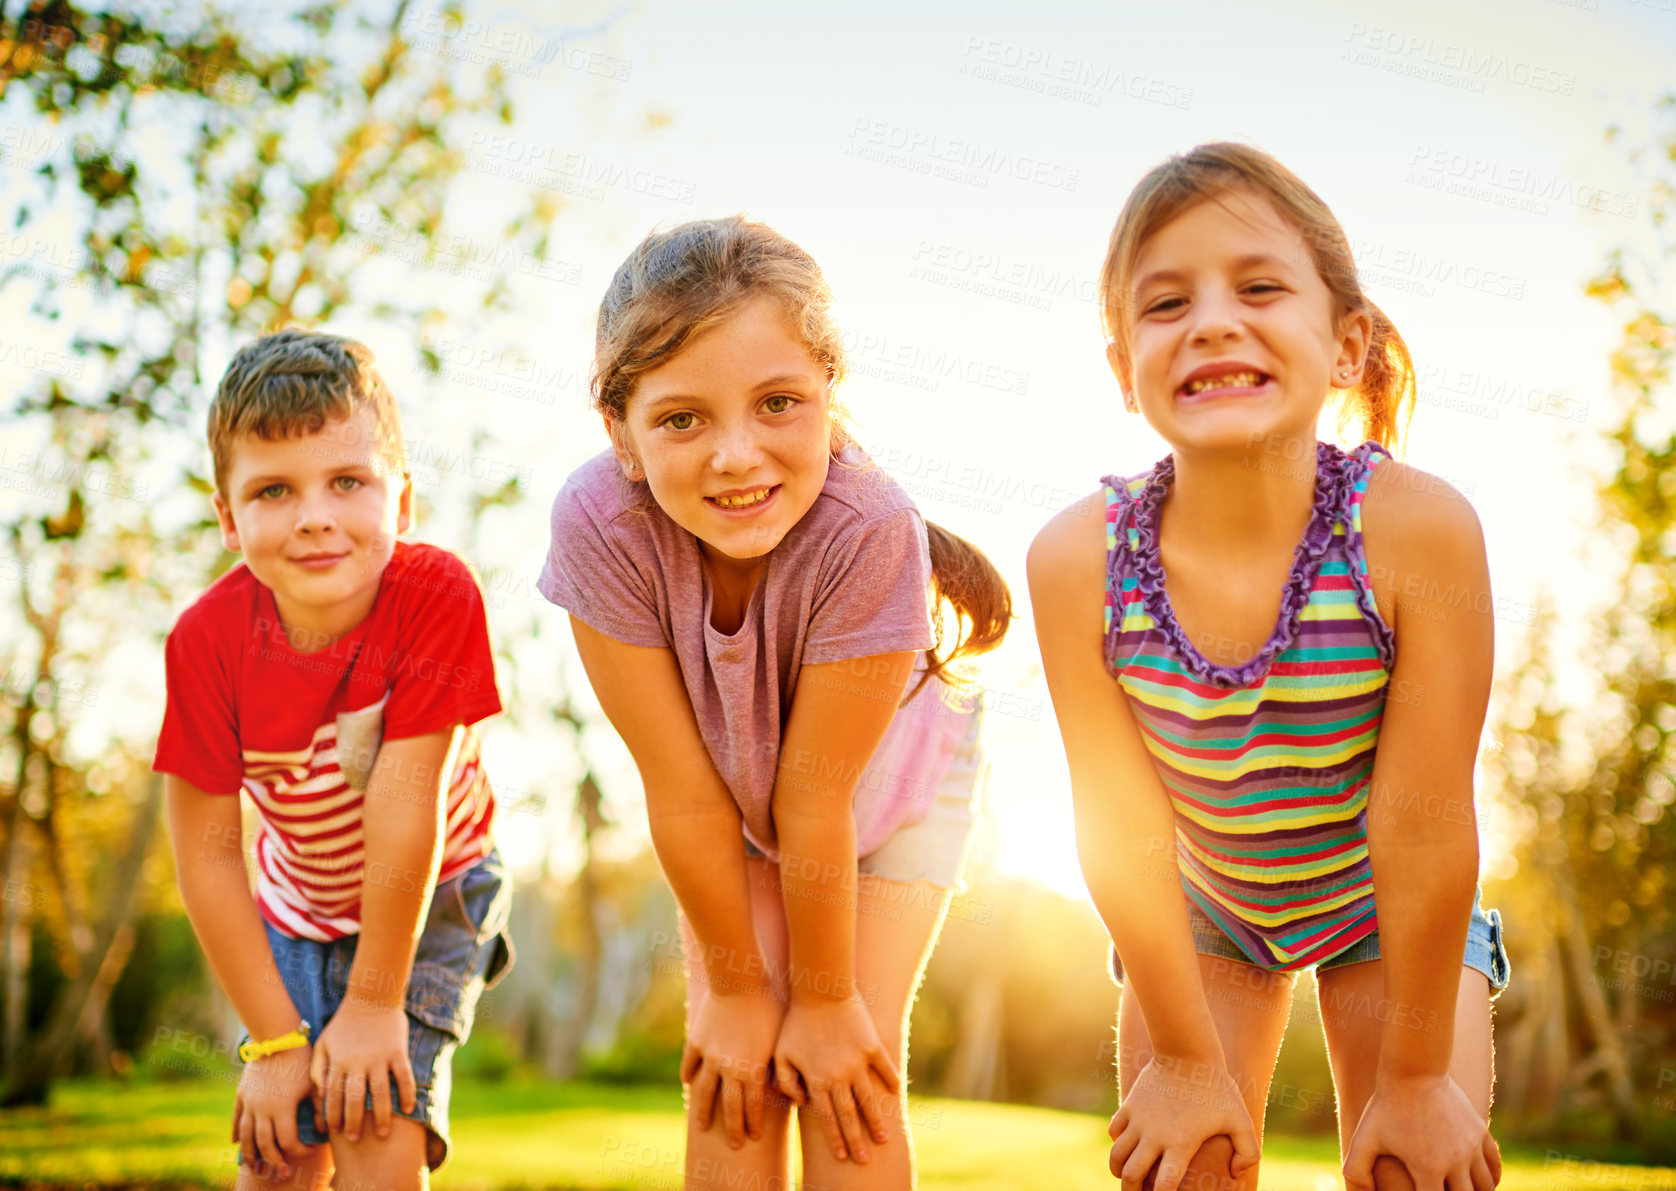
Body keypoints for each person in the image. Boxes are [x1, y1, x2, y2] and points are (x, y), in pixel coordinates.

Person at [1028, 143, 1510, 1191]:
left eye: (1256, 287)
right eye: (1164, 305)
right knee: (1188, 1160)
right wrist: (1187, 1062)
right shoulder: (1075, 562)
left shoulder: (1415, 533)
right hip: (1204, 906)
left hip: (1386, 903)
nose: (1209, 321)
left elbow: (1422, 824)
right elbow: (1117, 827)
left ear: (1345, 345)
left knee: (1408, 1167)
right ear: (1122, 369)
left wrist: (1418, 1075)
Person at [539, 215, 1010, 1190]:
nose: (736, 456)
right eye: (681, 419)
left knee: (848, 1065)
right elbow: (679, 792)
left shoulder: (870, 527)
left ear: (831, 398)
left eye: (777, 404)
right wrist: (737, 990)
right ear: (618, 434)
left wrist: (826, 1002)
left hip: (890, 796)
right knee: (735, 1070)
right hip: (727, 794)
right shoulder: (597, 523)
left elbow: (817, 799)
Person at [154, 330, 513, 1191]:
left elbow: (404, 798)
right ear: (230, 519)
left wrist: (377, 1001)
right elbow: (206, 856)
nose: (315, 514)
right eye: (275, 490)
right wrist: (274, 1043)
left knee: (373, 1126)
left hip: (434, 892)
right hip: (296, 901)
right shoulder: (206, 643)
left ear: (402, 500)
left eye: (347, 481)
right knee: (279, 1156)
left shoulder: (435, 595)